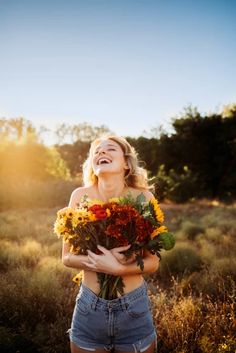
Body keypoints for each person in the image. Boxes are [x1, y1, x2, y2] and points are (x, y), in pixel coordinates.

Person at [62, 135, 159, 353]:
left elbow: (153, 262)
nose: (101, 153)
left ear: (126, 163)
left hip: (133, 308)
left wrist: (119, 269)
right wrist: (98, 262)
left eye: (110, 149)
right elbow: (66, 257)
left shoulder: (143, 198)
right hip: (89, 309)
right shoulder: (80, 196)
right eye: (96, 152)